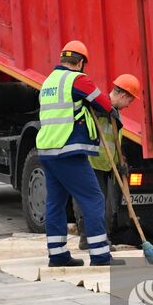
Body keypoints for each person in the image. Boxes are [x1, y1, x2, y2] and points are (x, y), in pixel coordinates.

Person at [37, 41, 127, 267]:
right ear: (80, 63)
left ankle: (57, 255)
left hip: (47, 151)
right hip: (68, 151)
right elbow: (105, 103)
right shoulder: (77, 79)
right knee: (94, 198)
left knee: (55, 203)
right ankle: (100, 255)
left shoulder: (48, 82)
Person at [75, 73, 141, 249]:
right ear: (122, 95)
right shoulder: (98, 107)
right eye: (129, 101)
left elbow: (114, 140)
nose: (128, 105)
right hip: (92, 162)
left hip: (106, 164)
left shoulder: (116, 112)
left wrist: (121, 160)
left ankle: (92, 239)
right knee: (95, 203)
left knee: (103, 205)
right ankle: (94, 240)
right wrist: (101, 109)